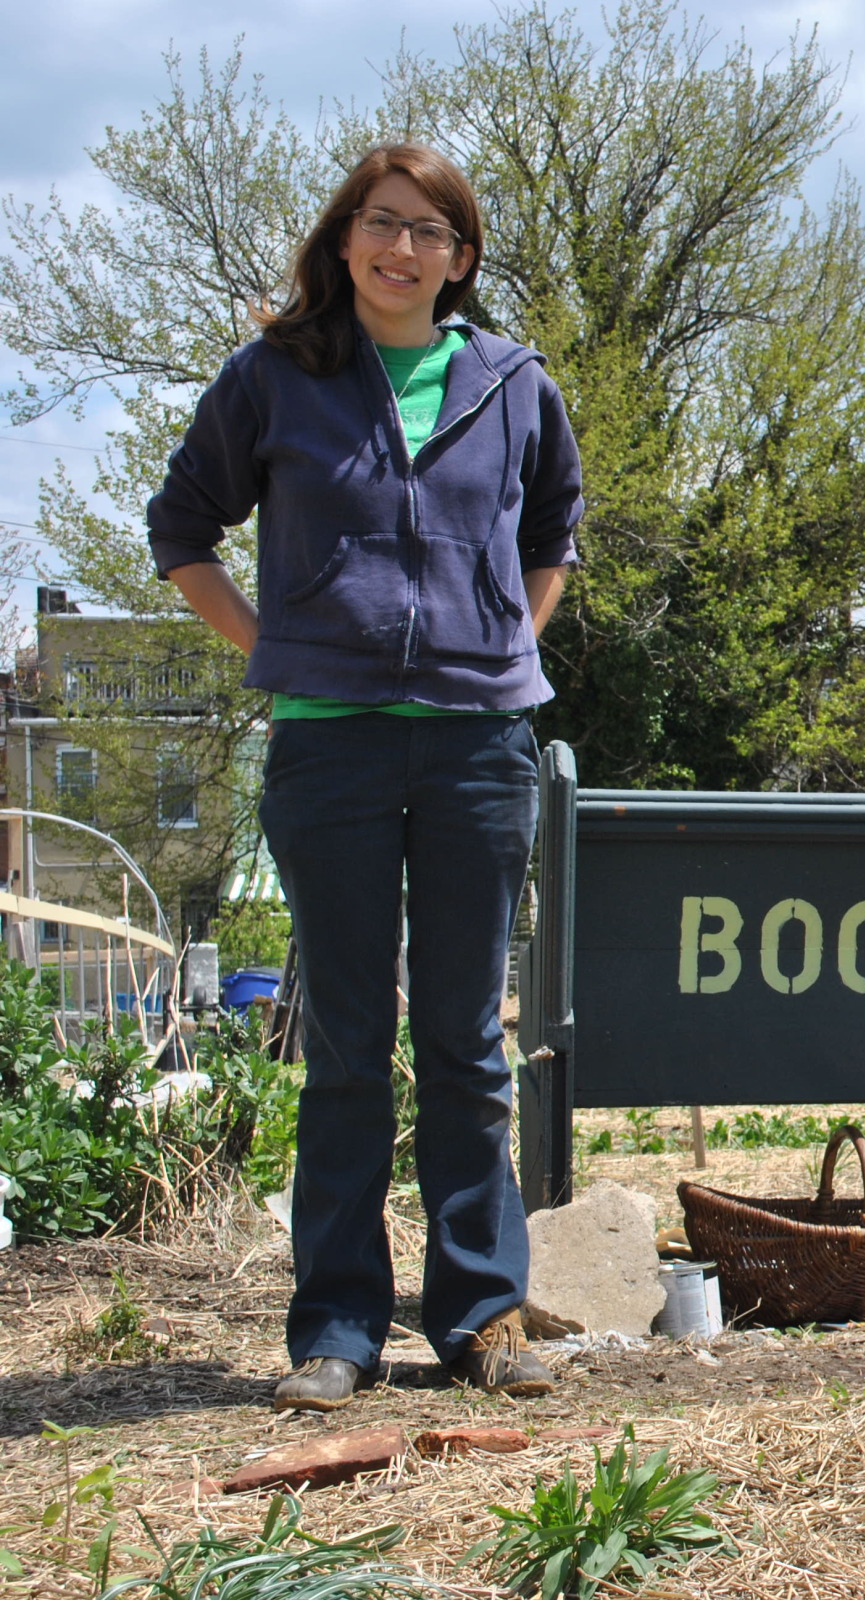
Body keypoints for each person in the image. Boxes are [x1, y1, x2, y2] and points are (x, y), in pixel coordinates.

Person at [146, 143, 583, 1410]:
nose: (403, 251)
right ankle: (336, 1328)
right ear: (345, 240)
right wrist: (276, 653)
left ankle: (479, 1317)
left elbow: (552, 532)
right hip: (328, 746)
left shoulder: (510, 383)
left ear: (461, 256)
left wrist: (503, 646)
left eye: (431, 232)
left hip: (475, 748)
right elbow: (185, 527)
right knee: (345, 1040)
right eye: (382, 225)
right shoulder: (276, 376)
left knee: (463, 1040)